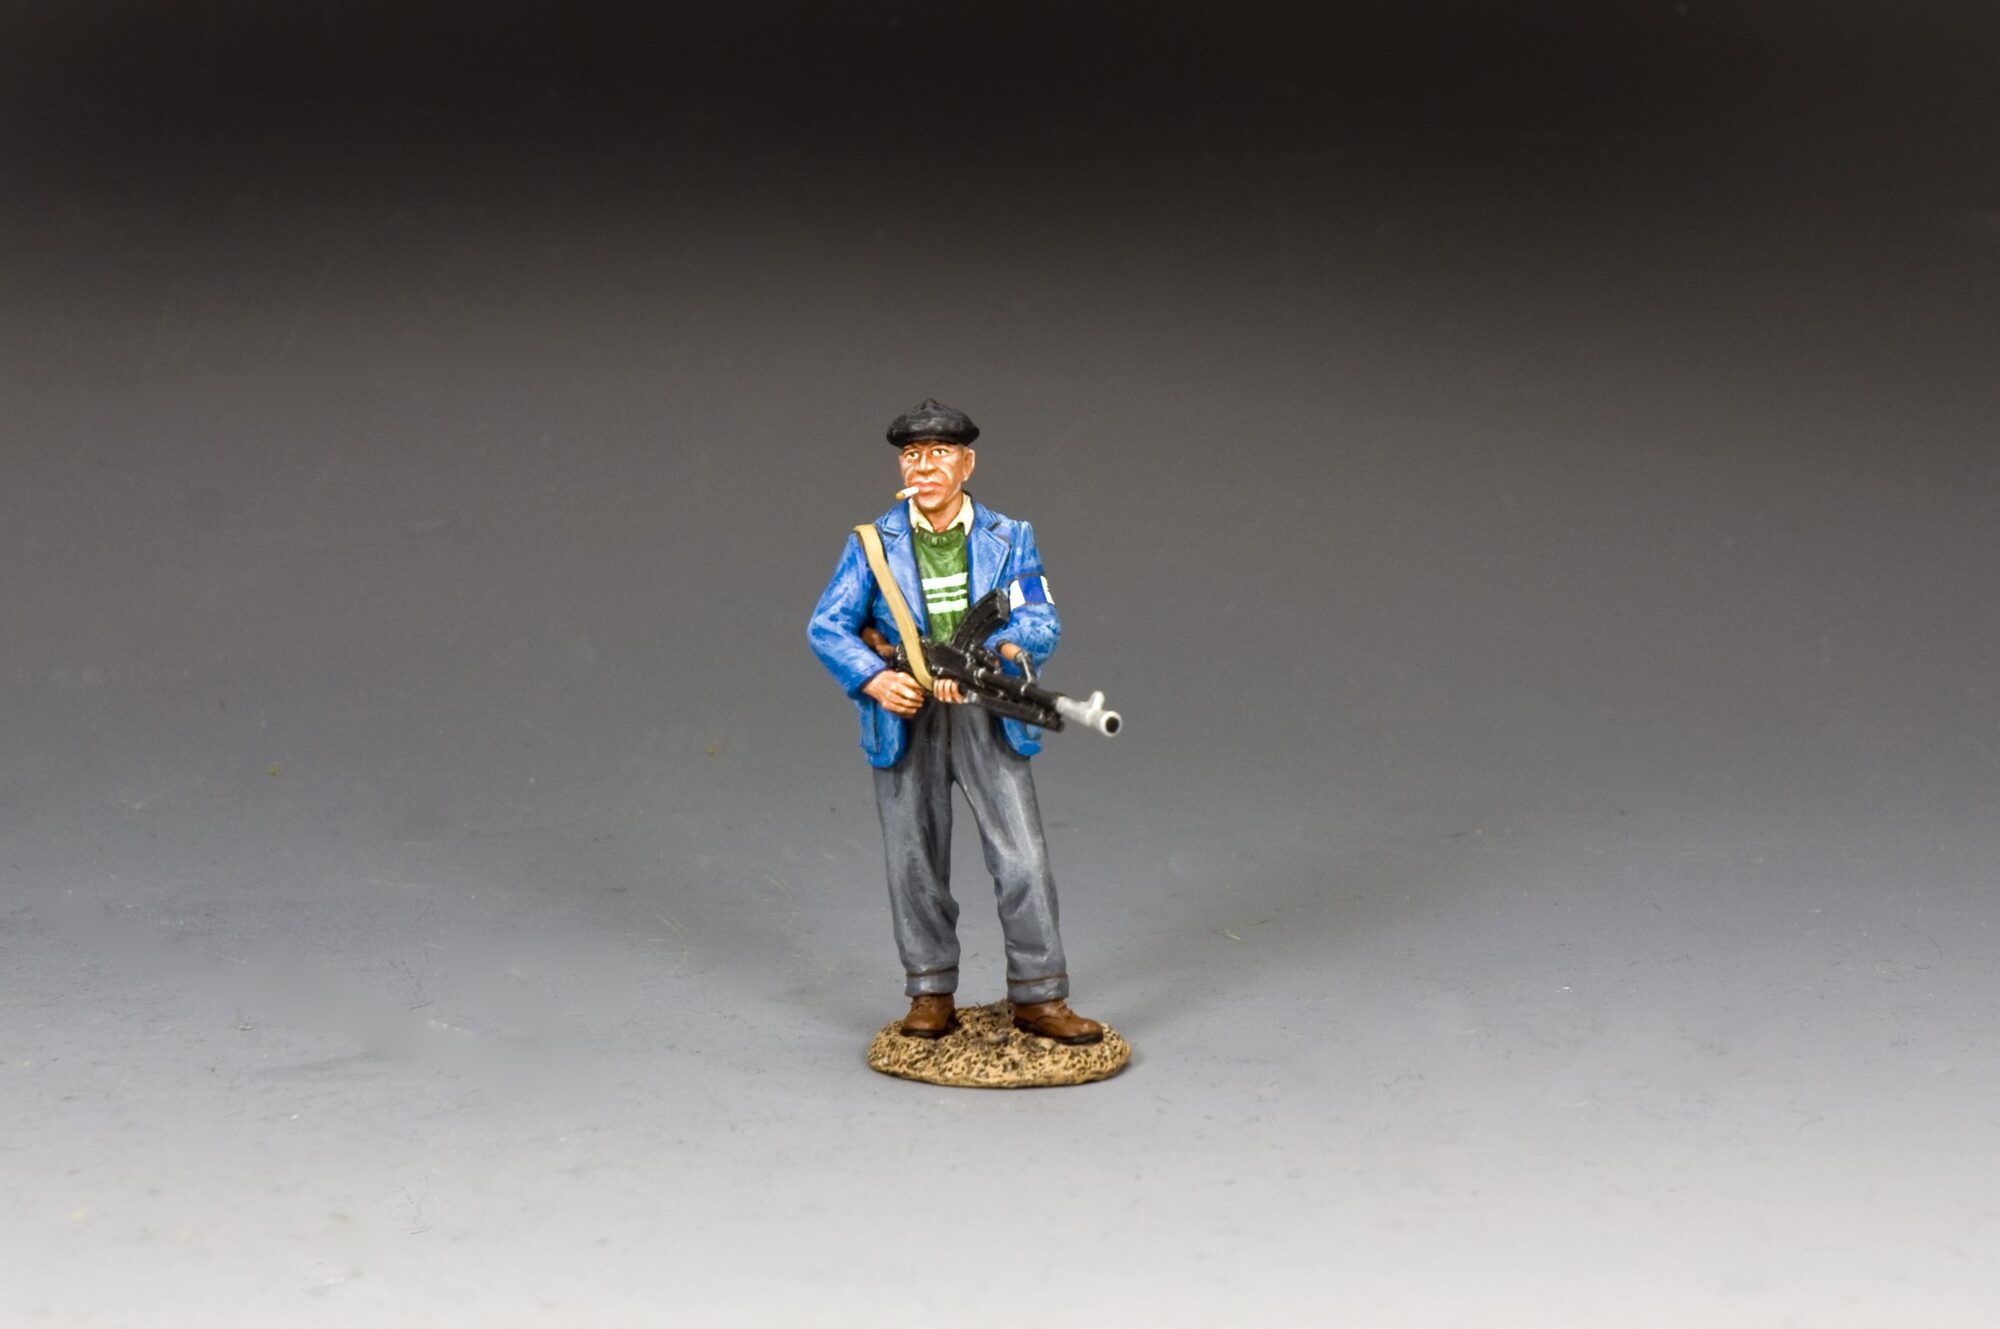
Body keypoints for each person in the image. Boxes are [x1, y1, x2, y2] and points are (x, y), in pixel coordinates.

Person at [807, 399, 1104, 1045]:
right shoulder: (872, 543)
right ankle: (930, 989)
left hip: (985, 714)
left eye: (939, 453)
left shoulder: (1011, 536)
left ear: (967, 463)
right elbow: (828, 626)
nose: (924, 466)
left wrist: (998, 653)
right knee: (914, 859)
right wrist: (876, 678)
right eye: (912, 455)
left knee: (1022, 858)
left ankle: (1039, 993)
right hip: (906, 716)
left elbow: (1039, 617)